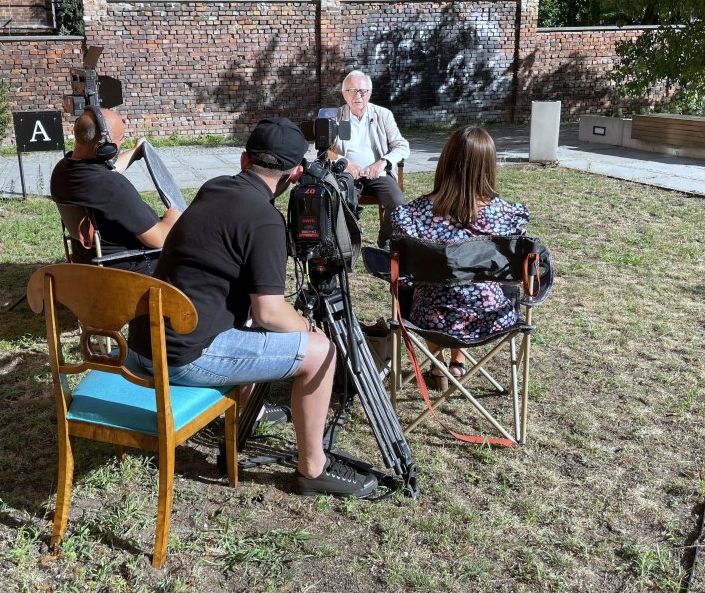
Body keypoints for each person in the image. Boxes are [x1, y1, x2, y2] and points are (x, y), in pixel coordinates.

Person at [130, 117, 377, 498]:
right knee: (321, 353)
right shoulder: (264, 219)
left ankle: (249, 412)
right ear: (295, 174)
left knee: (244, 314)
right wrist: (311, 332)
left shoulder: (213, 188)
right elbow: (269, 312)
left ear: (244, 159)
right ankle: (314, 468)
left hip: (144, 346)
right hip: (180, 358)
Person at [390, 126, 528, 387]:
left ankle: (439, 364)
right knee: (474, 288)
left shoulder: (414, 215)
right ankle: (458, 362)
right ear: (488, 166)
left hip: (429, 319)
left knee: (431, 290)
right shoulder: (508, 218)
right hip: (490, 318)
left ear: (445, 162)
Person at [50, 107, 180, 275]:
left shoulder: (63, 170)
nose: (123, 142)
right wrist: (172, 217)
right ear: (105, 148)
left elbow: (108, 171)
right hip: (132, 269)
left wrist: (136, 150)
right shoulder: (112, 187)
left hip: (89, 261)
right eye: (120, 138)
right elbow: (159, 239)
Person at [333, 70, 409, 247]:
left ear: (370, 93)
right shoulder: (335, 117)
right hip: (348, 175)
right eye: (352, 91)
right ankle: (347, 244)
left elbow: (402, 146)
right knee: (338, 199)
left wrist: (383, 162)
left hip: (378, 174)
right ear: (344, 94)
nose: (358, 96)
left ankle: (384, 242)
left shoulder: (383, 115)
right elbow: (326, 152)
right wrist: (346, 164)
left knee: (398, 204)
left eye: (363, 91)